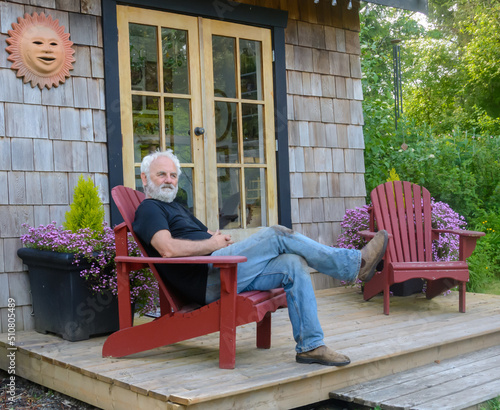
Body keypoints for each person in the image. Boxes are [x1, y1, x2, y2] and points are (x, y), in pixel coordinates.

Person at [133, 150, 389, 367]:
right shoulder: (149, 209)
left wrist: (218, 239)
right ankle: (354, 265)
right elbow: (167, 248)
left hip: (220, 265)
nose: (169, 180)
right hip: (207, 276)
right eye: (161, 174)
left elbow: (208, 233)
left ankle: (311, 346)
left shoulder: (176, 206)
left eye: (173, 175)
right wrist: (212, 243)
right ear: (145, 178)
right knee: (277, 234)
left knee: (292, 263)